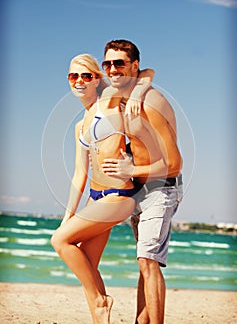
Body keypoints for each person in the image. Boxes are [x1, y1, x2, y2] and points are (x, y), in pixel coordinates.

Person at [51, 53, 154, 324]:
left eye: (87, 75)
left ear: (98, 79)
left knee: (59, 240)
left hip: (119, 195)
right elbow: (79, 174)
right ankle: (100, 315)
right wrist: (68, 215)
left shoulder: (108, 99)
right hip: (96, 199)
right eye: (74, 76)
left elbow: (146, 73)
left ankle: (102, 301)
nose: (80, 81)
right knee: (87, 264)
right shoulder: (78, 127)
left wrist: (135, 95)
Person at [101, 39, 183, 324]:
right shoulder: (126, 92)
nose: (112, 69)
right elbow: (150, 70)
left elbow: (174, 164)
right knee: (144, 263)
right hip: (139, 186)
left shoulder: (151, 103)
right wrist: (140, 84)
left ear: (132, 66)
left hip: (162, 186)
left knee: (148, 261)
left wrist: (130, 170)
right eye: (108, 63)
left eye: (119, 63)